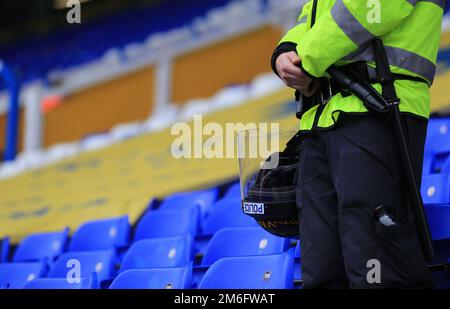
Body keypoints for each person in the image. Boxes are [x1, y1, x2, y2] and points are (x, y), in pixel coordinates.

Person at [271, 0, 445, 288]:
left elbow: (373, 7)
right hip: (322, 117)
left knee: (376, 262)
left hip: (378, 107)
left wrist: (307, 58)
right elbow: (311, 17)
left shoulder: (315, 58)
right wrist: (286, 53)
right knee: (322, 268)